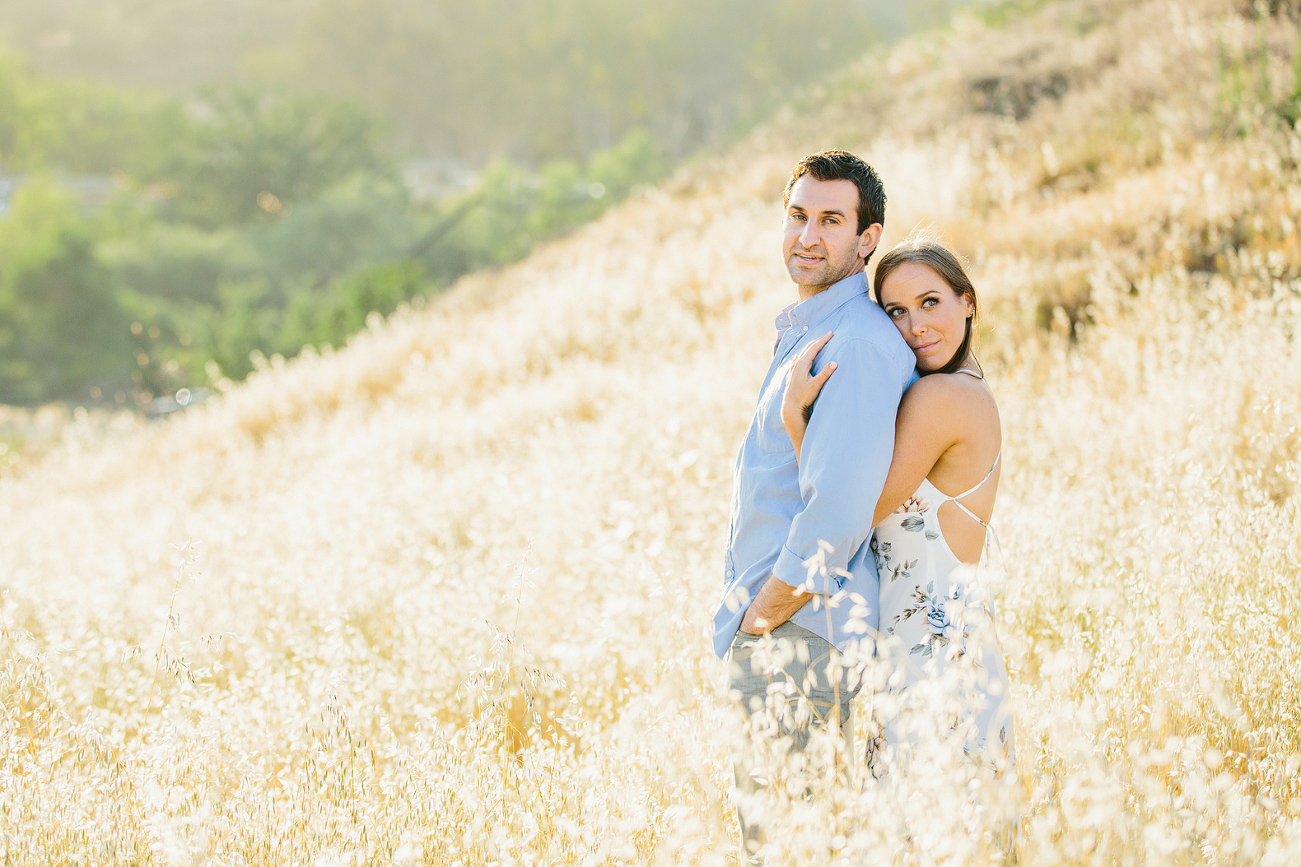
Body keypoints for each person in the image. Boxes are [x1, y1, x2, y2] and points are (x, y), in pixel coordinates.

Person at [711, 150, 916, 858]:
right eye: (797, 215)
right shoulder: (813, 330)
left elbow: (836, 510)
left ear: (867, 239)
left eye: (830, 220)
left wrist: (762, 616)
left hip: (798, 632)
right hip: (789, 631)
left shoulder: (854, 343)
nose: (807, 235)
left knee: (787, 847)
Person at [781, 236, 1015, 782]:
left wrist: (797, 425)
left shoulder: (943, 400)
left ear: (968, 302)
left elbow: (850, 512)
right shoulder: (964, 389)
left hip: (937, 666)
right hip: (934, 656)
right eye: (897, 313)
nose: (915, 327)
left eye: (931, 303)